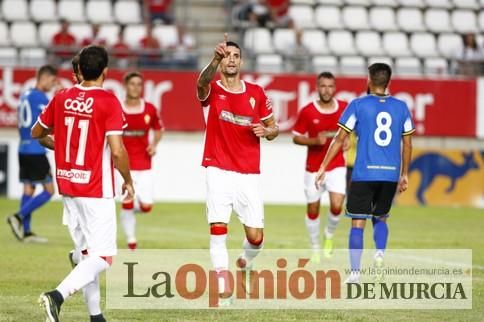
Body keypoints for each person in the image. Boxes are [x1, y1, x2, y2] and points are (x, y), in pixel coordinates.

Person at [32, 45, 134, 322]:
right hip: (95, 189)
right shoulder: (108, 101)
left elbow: (37, 132)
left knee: (90, 253)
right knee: (103, 258)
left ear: (79, 70)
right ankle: (57, 296)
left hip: (68, 187)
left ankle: (95, 316)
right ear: (105, 71)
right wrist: (128, 180)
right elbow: (117, 151)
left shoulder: (62, 96)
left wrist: (61, 146)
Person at [197, 34, 279, 305]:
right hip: (218, 168)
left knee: (256, 237)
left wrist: (266, 130)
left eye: (235, 56)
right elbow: (200, 83)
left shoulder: (256, 93)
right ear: (221, 61)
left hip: (248, 174)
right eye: (226, 56)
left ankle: (245, 260)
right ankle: (223, 288)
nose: (230, 60)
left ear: (241, 61)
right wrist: (214, 59)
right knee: (218, 228)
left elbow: (274, 128)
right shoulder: (211, 89)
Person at [315, 63, 415, 283]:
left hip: (364, 173)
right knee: (381, 217)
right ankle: (379, 254)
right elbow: (407, 144)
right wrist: (405, 173)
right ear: (389, 82)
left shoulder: (358, 105)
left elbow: (339, 138)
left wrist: (323, 166)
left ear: (369, 80)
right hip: (389, 175)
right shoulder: (401, 107)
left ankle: (355, 273)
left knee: (357, 222)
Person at [292, 72, 348, 262]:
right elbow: (296, 136)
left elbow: (351, 130)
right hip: (313, 168)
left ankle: (329, 237)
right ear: (317, 87)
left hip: (336, 164)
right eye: (323, 86)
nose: (327, 90)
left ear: (335, 88)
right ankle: (315, 246)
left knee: (337, 204)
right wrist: (315, 140)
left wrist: (349, 139)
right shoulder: (308, 111)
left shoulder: (344, 108)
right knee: (313, 208)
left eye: (330, 86)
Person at [6, 65, 58, 243]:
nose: (52, 85)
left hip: (23, 148)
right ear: (44, 78)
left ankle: (26, 232)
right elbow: (51, 119)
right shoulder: (40, 97)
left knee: (29, 188)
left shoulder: (25, 95)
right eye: (52, 81)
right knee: (50, 190)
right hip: (36, 150)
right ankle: (18, 216)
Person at [119, 72, 163, 250]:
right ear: (125, 86)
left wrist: (154, 143)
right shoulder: (117, 108)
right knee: (128, 201)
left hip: (144, 164)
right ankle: (131, 240)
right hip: (123, 166)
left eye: (139, 84)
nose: (136, 87)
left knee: (146, 206)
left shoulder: (150, 109)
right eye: (132, 84)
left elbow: (158, 129)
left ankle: (130, 209)